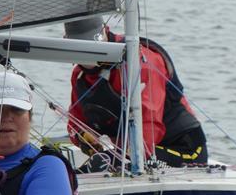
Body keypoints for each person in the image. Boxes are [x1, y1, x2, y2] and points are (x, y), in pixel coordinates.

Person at [64, 16, 208, 172]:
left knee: (108, 161)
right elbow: (75, 123)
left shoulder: (140, 63)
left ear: (105, 31)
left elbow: (149, 128)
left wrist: (119, 154)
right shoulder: (79, 76)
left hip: (184, 150)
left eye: (93, 43)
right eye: (81, 46)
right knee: (70, 166)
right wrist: (84, 138)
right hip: (129, 150)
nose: (89, 52)